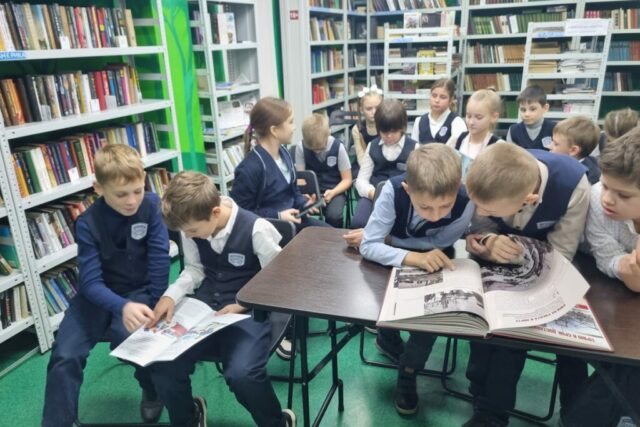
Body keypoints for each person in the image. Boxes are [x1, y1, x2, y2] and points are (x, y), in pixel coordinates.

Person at [149, 171, 296, 427]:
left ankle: (276, 422)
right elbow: (195, 269)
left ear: (215, 212)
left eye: (192, 230)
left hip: (251, 310)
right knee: (161, 363)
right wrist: (170, 296)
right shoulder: (191, 224)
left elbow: (279, 280)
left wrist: (243, 304)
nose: (189, 235)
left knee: (242, 374)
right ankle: (189, 419)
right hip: (205, 309)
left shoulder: (257, 229)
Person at [463, 142, 591, 427]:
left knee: (514, 335)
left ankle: (493, 413)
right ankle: (480, 393)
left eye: (488, 208)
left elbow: (562, 253)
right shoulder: (490, 171)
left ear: (529, 199)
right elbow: (480, 226)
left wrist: (517, 253)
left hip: (548, 269)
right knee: (479, 320)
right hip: (493, 264)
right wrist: (488, 240)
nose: (478, 210)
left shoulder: (574, 185)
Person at [42, 145, 170, 427]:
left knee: (134, 340)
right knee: (65, 355)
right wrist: (121, 306)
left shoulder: (152, 206)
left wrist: (156, 302)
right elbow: (90, 282)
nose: (131, 201)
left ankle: (151, 389)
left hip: (140, 291)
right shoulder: (87, 223)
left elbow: (160, 260)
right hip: (97, 296)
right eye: (121, 194)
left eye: (137, 190)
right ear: (98, 188)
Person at [360, 144, 474, 416]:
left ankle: (409, 370)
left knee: (429, 320)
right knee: (381, 298)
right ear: (408, 189)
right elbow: (368, 246)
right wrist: (413, 256)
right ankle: (387, 338)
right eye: (424, 206)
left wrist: (391, 240)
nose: (435, 215)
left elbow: (442, 241)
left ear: (458, 186)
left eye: (445, 206)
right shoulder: (392, 190)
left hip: (434, 257)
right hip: (397, 260)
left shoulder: (467, 199)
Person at [566, 127, 640, 426]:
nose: (608, 198)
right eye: (606, 185)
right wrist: (628, 270)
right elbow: (606, 255)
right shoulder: (597, 197)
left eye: (623, 195)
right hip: (609, 297)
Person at [230, 97, 328, 232]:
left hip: (294, 222)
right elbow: (240, 215)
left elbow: (293, 191)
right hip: (270, 231)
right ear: (274, 130)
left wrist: (304, 204)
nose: (294, 127)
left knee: (334, 236)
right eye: (291, 122)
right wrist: (278, 216)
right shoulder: (249, 169)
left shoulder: (284, 153)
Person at [351, 99, 417, 229]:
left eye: (393, 131)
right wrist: (372, 193)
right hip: (374, 194)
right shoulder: (372, 146)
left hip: (403, 198)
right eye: (384, 132)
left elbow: (419, 182)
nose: (388, 136)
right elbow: (361, 180)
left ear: (402, 127)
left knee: (400, 227)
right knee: (358, 223)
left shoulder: (414, 148)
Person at [294, 113, 352, 227]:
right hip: (311, 193)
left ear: (329, 133)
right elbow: (300, 178)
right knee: (298, 213)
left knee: (334, 216)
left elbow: (347, 180)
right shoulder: (301, 147)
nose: (317, 152)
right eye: (313, 149)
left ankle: (334, 237)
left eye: (321, 148)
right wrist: (305, 194)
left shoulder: (338, 147)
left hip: (335, 191)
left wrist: (333, 192)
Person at [446, 89, 504, 171]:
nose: (471, 122)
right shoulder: (456, 139)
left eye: (478, 117)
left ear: (494, 117)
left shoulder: (499, 147)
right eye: (468, 116)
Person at [411, 78, 466, 144]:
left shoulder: (457, 122)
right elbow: (414, 148)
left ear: (451, 100)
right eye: (434, 96)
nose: (437, 100)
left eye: (443, 97)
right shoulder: (419, 121)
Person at [549, 116, 601, 184]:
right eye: (552, 141)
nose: (549, 146)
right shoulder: (561, 163)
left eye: (556, 144)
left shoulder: (583, 180)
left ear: (573, 150)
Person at [506, 85, 555, 150]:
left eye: (532, 109)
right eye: (523, 110)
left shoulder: (555, 129)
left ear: (545, 108)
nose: (527, 114)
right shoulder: (513, 131)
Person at [351, 84, 383, 168]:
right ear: (361, 110)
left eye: (377, 108)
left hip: (383, 164)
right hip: (365, 164)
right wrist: (367, 171)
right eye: (369, 109)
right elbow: (360, 156)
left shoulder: (386, 125)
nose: (374, 112)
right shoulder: (357, 129)